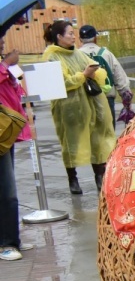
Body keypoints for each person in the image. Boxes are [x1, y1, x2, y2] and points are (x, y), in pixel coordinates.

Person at [40, 20, 117, 195]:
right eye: (69, 34)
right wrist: (83, 75)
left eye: (73, 33)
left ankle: (99, 175)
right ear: (59, 37)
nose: (73, 37)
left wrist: (94, 71)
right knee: (71, 141)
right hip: (69, 108)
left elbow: (95, 69)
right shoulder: (51, 56)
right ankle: (72, 178)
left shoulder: (78, 54)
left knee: (97, 137)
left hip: (90, 104)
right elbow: (61, 82)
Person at [0, 34, 30, 260]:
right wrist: (6, 66)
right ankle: (7, 243)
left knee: (8, 188)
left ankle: (13, 238)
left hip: (6, 131)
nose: (3, 41)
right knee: (6, 191)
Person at [77, 25, 131, 128]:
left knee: (89, 134)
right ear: (95, 38)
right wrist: (126, 99)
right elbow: (120, 78)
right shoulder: (106, 54)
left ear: (80, 39)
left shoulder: (76, 56)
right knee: (108, 133)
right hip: (106, 99)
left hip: (84, 100)